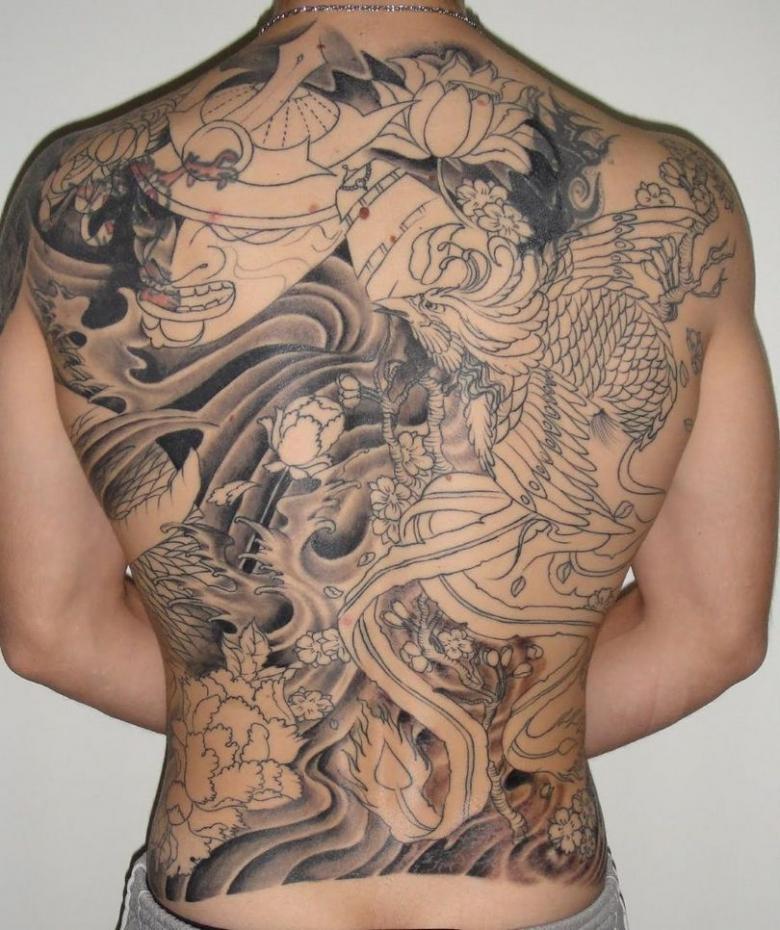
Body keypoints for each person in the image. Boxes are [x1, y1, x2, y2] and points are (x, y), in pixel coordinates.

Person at [0, 1, 776, 928]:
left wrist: (285, 737)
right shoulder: (678, 194)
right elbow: (715, 632)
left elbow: (51, 630)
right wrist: (477, 742)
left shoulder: (71, 188)